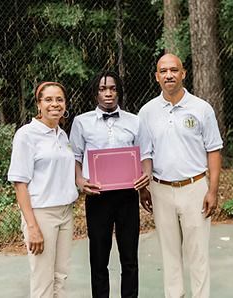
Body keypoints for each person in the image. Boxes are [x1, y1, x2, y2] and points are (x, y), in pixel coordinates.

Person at [138, 53, 223, 298]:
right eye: (163, 71)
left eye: (174, 70)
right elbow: (146, 153)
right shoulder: (147, 112)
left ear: (183, 73)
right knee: (170, 253)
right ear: (156, 77)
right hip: (160, 189)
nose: (169, 75)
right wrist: (145, 187)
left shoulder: (201, 108)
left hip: (195, 188)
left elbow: (213, 149)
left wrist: (212, 190)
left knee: (198, 253)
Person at [69, 71, 150, 298]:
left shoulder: (135, 121)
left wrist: (146, 178)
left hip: (127, 195)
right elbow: (74, 156)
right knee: (98, 257)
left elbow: (145, 154)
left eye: (112, 89)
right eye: (103, 89)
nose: (108, 93)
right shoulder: (81, 122)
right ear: (96, 93)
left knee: (129, 258)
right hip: (97, 196)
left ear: (119, 91)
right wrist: (79, 180)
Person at [8, 81, 79, 297]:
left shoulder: (62, 135)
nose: (54, 104)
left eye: (59, 99)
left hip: (65, 213)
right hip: (41, 215)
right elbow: (20, 184)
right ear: (38, 104)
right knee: (43, 280)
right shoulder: (26, 135)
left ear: (65, 104)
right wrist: (32, 226)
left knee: (60, 277)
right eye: (48, 99)